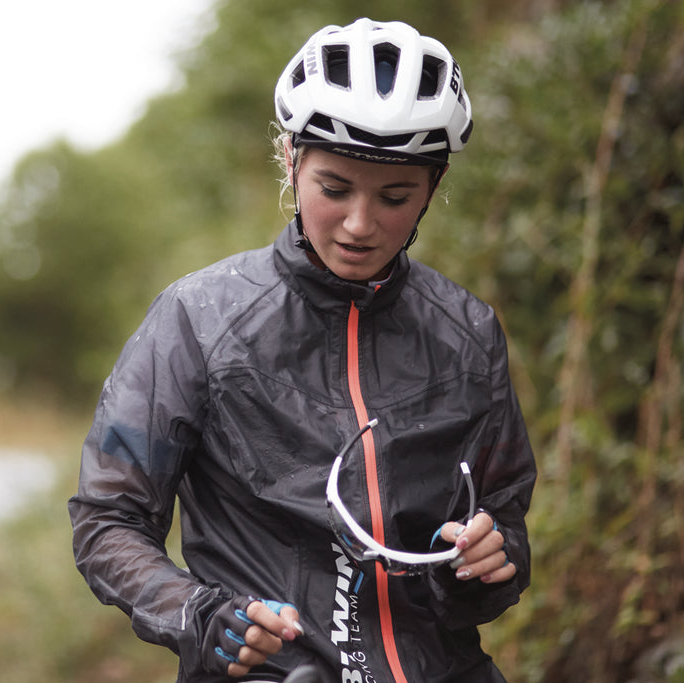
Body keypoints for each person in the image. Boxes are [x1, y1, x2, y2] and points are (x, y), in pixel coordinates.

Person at [69, 17, 536, 683]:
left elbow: (506, 524)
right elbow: (106, 520)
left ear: (433, 186)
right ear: (292, 159)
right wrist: (199, 614)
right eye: (334, 188)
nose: (359, 223)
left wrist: (483, 561)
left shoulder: (468, 333)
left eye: (395, 196)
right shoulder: (195, 320)